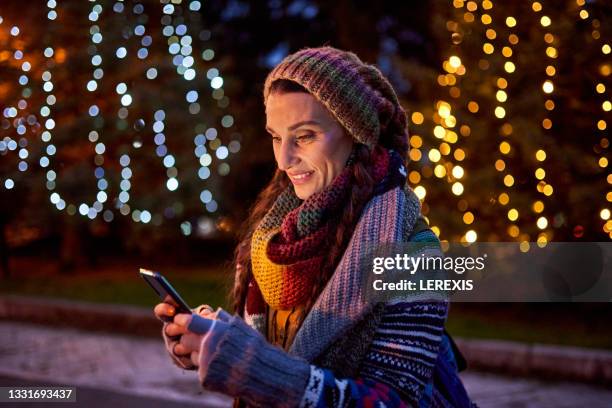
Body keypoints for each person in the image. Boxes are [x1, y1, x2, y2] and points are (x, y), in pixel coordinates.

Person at [154, 46, 474, 407]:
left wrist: (255, 368)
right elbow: (262, 344)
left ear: (355, 133)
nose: (285, 158)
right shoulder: (271, 237)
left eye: (304, 135)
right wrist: (209, 341)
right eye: (276, 136)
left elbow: (392, 401)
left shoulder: (413, 252)